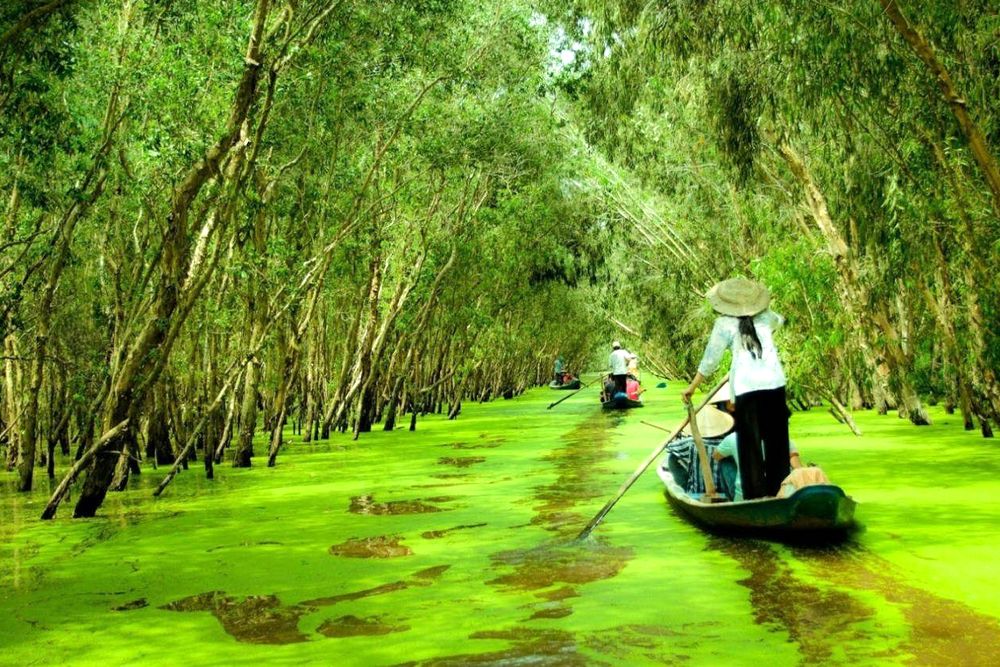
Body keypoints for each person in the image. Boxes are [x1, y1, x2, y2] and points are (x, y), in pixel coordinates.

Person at [681, 278, 790, 499]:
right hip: (775, 383)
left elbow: (710, 359)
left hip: (747, 388)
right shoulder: (767, 317)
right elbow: (782, 320)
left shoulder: (724, 324)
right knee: (777, 443)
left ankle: (756, 498)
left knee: (749, 448)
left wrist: (692, 387)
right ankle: (780, 493)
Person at [712, 433, 801, 502]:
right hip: (780, 496)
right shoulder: (783, 438)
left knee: (725, 461)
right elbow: (797, 468)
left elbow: (716, 455)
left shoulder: (733, 437)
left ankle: (730, 497)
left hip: (743, 497)